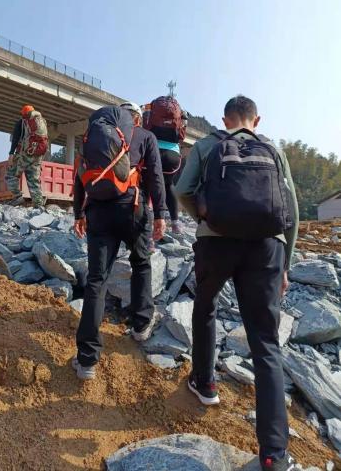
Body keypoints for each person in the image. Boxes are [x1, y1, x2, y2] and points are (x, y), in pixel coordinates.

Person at [175, 95, 299, 471]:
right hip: (267, 248)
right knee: (266, 343)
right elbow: (291, 211)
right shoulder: (273, 150)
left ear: (225, 119)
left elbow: (182, 189)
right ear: (256, 120)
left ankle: (205, 384)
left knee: (205, 307)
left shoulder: (207, 146)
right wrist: (285, 264)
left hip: (215, 242)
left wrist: (205, 216)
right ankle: (274, 454)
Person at [72, 102, 167, 380]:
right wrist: (161, 214)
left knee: (97, 280)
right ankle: (141, 326)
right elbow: (156, 176)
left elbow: (80, 176)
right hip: (132, 208)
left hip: (98, 212)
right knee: (141, 263)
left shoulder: (93, 137)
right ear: (135, 119)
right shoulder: (145, 136)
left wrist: (78, 213)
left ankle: (87, 361)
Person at [143, 97, 187, 233]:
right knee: (168, 185)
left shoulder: (150, 109)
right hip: (172, 155)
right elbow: (182, 135)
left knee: (146, 184)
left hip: (152, 150)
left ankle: (145, 222)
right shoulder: (180, 113)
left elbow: (144, 127)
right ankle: (175, 223)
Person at [6, 104, 48, 208]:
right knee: (33, 180)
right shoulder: (42, 121)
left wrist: (11, 154)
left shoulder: (21, 122)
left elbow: (15, 139)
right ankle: (38, 205)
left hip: (24, 154)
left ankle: (17, 197)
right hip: (37, 156)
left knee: (11, 175)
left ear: (24, 114)